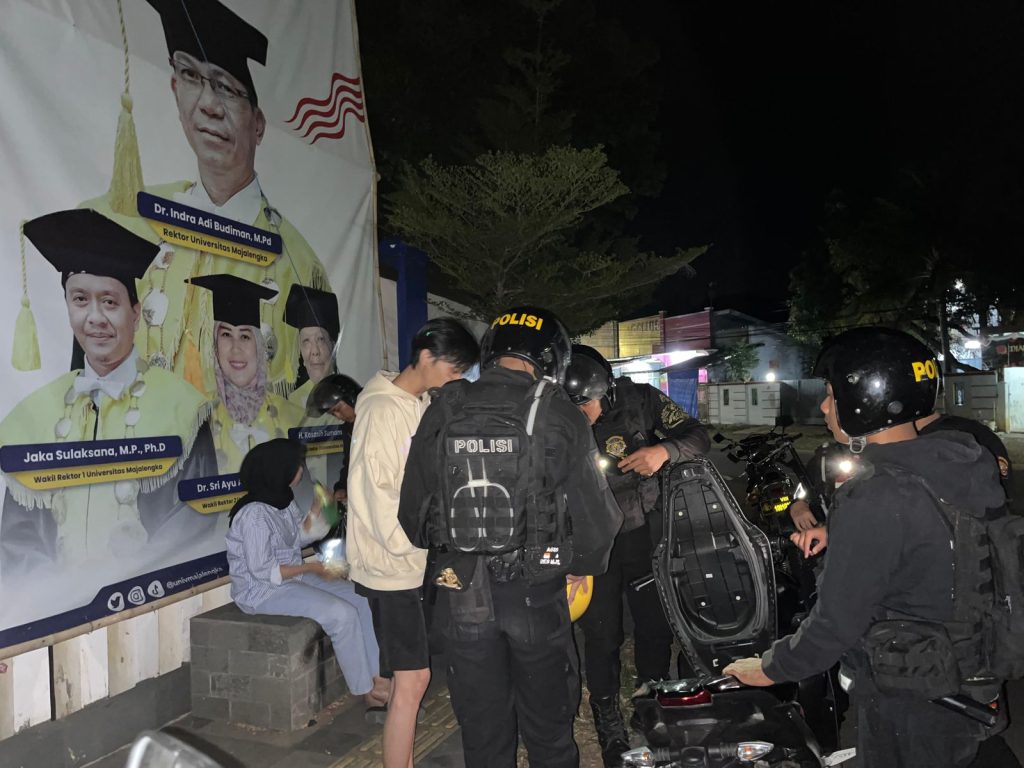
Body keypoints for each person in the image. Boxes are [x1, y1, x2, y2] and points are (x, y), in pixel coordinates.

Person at [724, 327, 1005, 768]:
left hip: (913, 698)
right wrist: (842, 534)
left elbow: (835, 623)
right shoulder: (958, 462)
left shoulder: (877, 494)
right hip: (970, 674)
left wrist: (770, 668)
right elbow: (939, 542)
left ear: (865, 400)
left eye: (831, 394)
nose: (824, 407)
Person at [398, 307, 623, 768]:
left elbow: (412, 518)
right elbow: (598, 520)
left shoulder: (445, 406)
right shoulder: (559, 411)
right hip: (536, 592)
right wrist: (580, 567)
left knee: (483, 736)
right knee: (550, 732)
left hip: (461, 594)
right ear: (552, 356)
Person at [80, 0, 332, 397]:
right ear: (175, 90)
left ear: (258, 123)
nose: (209, 106)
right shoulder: (127, 220)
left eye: (227, 89)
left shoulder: (300, 263)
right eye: (190, 75)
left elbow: (313, 387)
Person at [0, 209, 216, 579]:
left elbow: (195, 514)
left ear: (136, 313)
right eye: (80, 299)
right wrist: (58, 590)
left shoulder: (181, 408)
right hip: (59, 601)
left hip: (149, 594)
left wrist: (128, 577)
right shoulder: (36, 414)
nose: (95, 317)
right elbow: (18, 536)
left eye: (110, 302)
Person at [563, 344, 710, 766]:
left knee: (654, 626)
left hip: (644, 531)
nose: (583, 415)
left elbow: (697, 435)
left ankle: (651, 701)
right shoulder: (557, 412)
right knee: (601, 634)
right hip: (591, 542)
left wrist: (664, 452)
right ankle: (607, 718)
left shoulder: (642, 399)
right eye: (575, 406)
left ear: (606, 390)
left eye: (587, 404)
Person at [347, 318, 480, 768]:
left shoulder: (420, 402)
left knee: (410, 678)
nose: (456, 379)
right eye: (453, 369)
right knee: (414, 678)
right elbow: (375, 496)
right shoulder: (382, 409)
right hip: (392, 565)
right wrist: (421, 545)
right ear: (425, 357)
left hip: (414, 560)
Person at [224, 439, 388, 709]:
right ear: (279, 469)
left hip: (292, 578)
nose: (301, 469)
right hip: (262, 591)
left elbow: (297, 538)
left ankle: (378, 676)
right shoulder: (254, 514)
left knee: (361, 598)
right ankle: (366, 690)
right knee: (341, 614)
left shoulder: (281, 499)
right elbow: (263, 571)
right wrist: (312, 568)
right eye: (296, 464)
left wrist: (316, 509)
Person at [186, 274, 304, 478]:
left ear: (259, 346)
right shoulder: (196, 420)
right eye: (226, 335)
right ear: (215, 346)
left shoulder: (292, 416)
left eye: (245, 336)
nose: (236, 348)